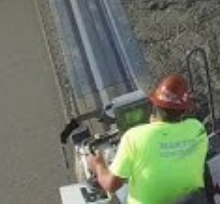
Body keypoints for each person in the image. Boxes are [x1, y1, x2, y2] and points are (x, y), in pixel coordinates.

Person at [88, 74, 210, 204]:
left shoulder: (133, 137)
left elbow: (110, 185)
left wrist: (98, 165)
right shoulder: (197, 129)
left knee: (120, 193)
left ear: (154, 106)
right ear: (183, 110)